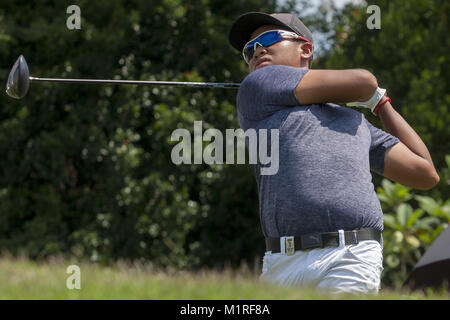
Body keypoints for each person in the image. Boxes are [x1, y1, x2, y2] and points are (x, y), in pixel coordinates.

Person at [228, 12, 440, 294]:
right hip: (281, 261)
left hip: (351, 254)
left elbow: (425, 173)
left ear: (305, 49)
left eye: (268, 39)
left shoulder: (354, 122)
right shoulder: (257, 88)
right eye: (249, 50)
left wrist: (382, 104)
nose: (257, 50)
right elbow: (364, 82)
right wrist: (370, 93)